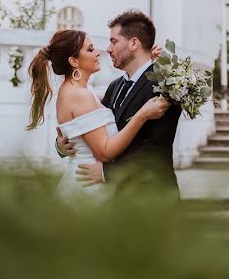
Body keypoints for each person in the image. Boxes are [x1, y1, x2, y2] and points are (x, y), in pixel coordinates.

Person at [27, 28, 170, 199]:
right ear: (73, 61)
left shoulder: (80, 91)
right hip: (87, 185)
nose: (98, 53)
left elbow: (118, 108)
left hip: (88, 181)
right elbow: (105, 152)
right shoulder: (80, 95)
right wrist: (142, 115)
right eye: (90, 49)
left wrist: (150, 65)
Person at [56, 10, 183, 200]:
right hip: (118, 199)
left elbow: (154, 149)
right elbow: (93, 128)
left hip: (152, 197)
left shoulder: (165, 84)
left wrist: (107, 173)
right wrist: (62, 144)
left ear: (133, 43)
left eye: (114, 41)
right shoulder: (115, 87)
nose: (107, 49)